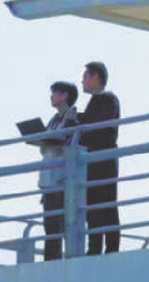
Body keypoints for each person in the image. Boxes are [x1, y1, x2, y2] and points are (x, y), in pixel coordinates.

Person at [77, 61, 121, 254]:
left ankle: (110, 247)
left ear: (95, 77)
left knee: (106, 203)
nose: (82, 81)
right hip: (94, 160)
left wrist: (78, 120)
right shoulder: (99, 101)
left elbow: (98, 125)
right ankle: (95, 246)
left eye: (85, 76)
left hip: (103, 159)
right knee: (94, 204)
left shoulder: (107, 99)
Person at [37, 81, 79, 261]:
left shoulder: (72, 118)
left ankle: (66, 261)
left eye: (54, 93)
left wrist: (51, 143)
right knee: (50, 227)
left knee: (62, 225)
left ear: (65, 95)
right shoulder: (53, 120)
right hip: (49, 180)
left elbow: (67, 144)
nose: (51, 97)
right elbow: (45, 148)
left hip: (61, 179)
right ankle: (50, 262)